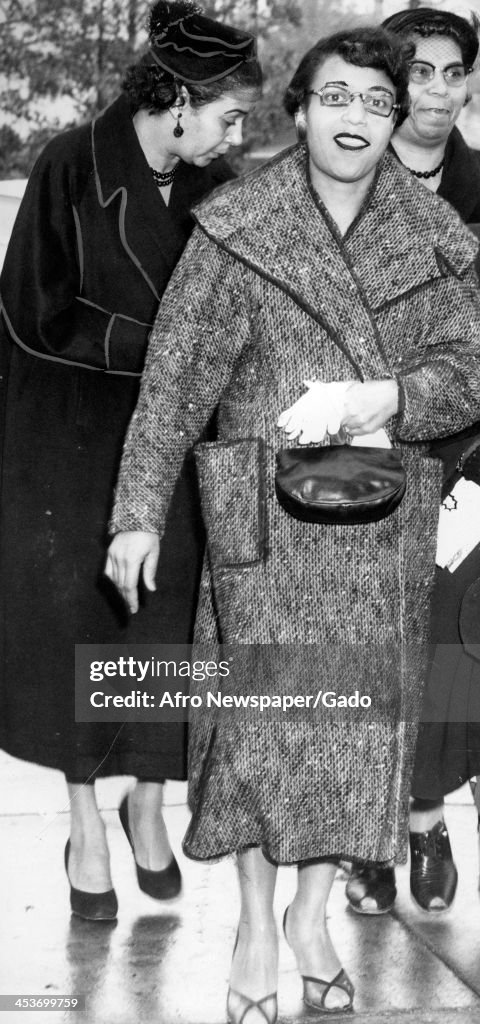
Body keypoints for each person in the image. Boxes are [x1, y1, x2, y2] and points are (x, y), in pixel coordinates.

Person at [106, 26, 480, 1021]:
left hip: (377, 522)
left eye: (374, 100)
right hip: (262, 526)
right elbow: (175, 378)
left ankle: (311, 918)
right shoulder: (236, 227)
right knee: (265, 739)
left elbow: (470, 373)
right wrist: (136, 516)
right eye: (335, 97)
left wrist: (383, 398)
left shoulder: (435, 241)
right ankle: (252, 925)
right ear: (301, 111)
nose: (353, 116)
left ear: (394, 118)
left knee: (350, 743)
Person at [0, 0, 261, 921]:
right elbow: (35, 312)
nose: (236, 134)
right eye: (228, 115)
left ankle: (148, 802)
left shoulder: (219, 185)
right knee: (81, 630)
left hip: (174, 443)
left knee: (163, 628)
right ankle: (83, 822)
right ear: (179, 101)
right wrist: (166, 344)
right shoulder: (70, 164)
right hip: (69, 443)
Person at [345, 5, 480, 918]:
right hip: (373, 454)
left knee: (472, 650)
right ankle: (408, 824)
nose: (436, 91)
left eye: (452, 72)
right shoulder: (343, 187)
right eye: (419, 73)